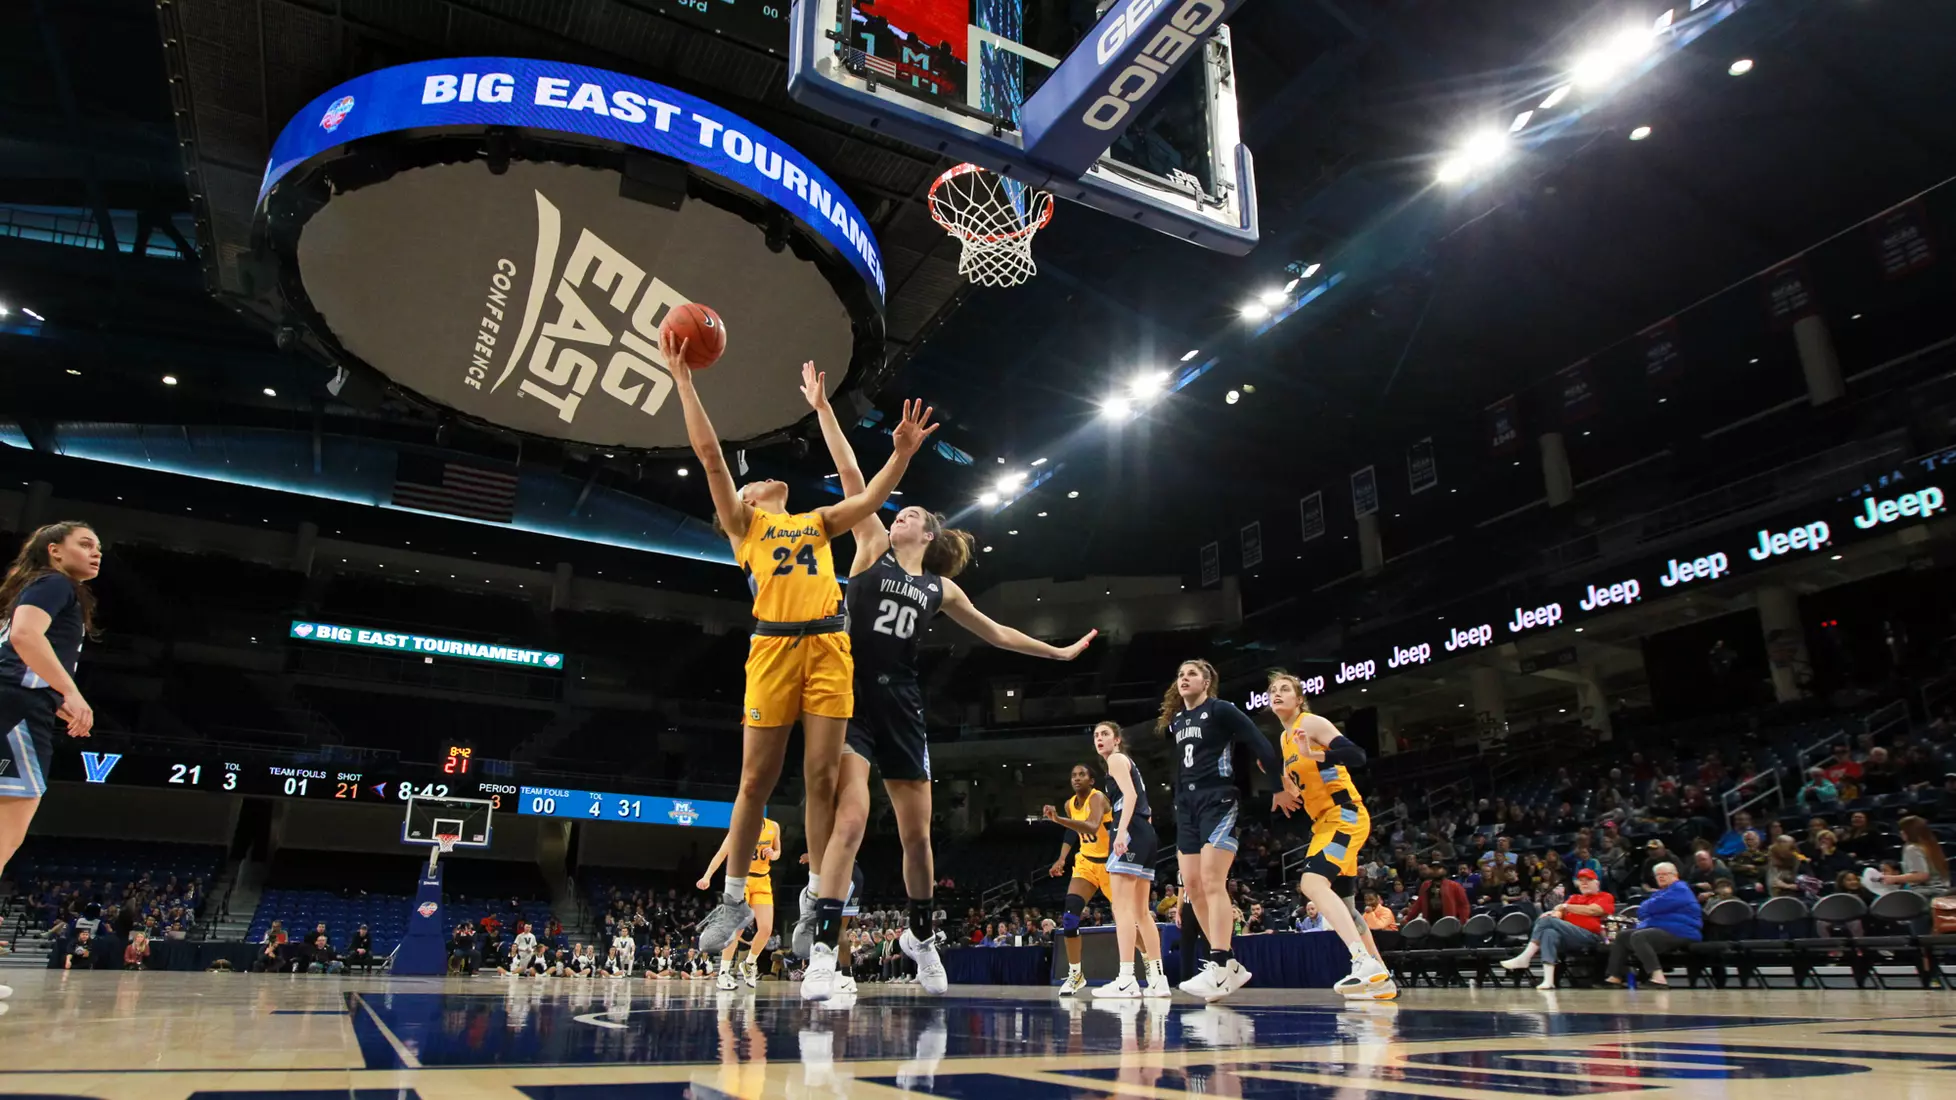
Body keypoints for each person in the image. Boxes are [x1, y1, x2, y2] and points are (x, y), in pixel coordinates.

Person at [794, 361, 1093, 1000]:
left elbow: (998, 633)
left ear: (928, 534)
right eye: (897, 513)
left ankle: (922, 938)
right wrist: (822, 409)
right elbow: (852, 472)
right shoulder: (869, 545)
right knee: (851, 822)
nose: (897, 516)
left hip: (903, 706)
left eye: (909, 515)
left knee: (917, 838)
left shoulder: (941, 588)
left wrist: (1058, 653)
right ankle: (822, 952)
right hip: (852, 700)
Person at [670, 328, 937, 964]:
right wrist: (684, 382)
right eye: (755, 480)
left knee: (821, 780)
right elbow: (711, 458)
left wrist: (901, 455)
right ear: (745, 500)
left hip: (829, 649)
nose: (766, 477)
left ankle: (817, 901)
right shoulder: (743, 524)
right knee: (755, 782)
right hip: (772, 650)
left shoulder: (814, 523)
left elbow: (869, 497)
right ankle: (733, 899)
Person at [0, 522, 103, 1001]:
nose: (96, 552)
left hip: (20, 705)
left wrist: (55, 696)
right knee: (5, 837)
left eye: (98, 547)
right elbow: (24, 636)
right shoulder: (54, 583)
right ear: (54, 551)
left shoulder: (41, 587)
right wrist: (71, 691)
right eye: (85, 543)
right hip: (15, 713)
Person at [1158, 658, 1281, 1000]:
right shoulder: (1177, 721)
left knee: (1213, 881)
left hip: (1218, 799)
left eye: (1191, 674)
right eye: (1180, 674)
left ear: (1207, 682)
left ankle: (1220, 961)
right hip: (1186, 807)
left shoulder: (1221, 709)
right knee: (1192, 887)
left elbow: (1258, 740)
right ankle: (1228, 966)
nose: (1184, 678)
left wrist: (1276, 784)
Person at [1268, 670, 1393, 999]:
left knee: (1311, 884)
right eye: (1272, 690)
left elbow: (1357, 756)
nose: (1276, 693)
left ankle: (1361, 960)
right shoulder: (1284, 740)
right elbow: (1302, 782)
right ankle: (1382, 978)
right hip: (1324, 822)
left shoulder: (1310, 723)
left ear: (1299, 699)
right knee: (1347, 908)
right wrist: (1283, 789)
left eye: (1284, 689)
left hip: (1344, 815)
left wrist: (1315, 754)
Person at [1087, 721, 1170, 998]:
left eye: (1105, 734)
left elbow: (1131, 796)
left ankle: (1126, 979)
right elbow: (1144, 803)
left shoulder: (1116, 759)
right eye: (1096, 735)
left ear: (1117, 740)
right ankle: (1158, 980)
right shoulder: (1127, 762)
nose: (1100, 739)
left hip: (1130, 829)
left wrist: (1122, 831)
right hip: (1145, 832)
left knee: (1121, 908)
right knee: (1141, 912)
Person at [1043, 762, 1114, 995]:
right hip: (1085, 863)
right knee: (1070, 916)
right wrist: (1062, 858)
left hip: (1110, 864)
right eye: (1073, 774)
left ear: (1091, 781)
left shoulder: (1098, 798)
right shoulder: (1069, 804)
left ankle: (1150, 967)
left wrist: (1057, 819)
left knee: (1126, 919)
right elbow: (1072, 831)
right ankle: (1076, 974)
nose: (1076, 778)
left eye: (1082, 774)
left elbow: (1092, 827)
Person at [699, 814, 780, 990]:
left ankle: (749, 963)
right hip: (741, 880)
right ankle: (723, 972)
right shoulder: (739, 828)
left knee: (766, 929)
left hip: (763, 880)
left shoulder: (773, 826)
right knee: (737, 927)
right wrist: (707, 876)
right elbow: (722, 854)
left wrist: (773, 854)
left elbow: (777, 852)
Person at [1501, 868, 1615, 990]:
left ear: (1597, 883)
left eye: (1588, 880)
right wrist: (1553, 913)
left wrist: (1565, 907)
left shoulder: (1604, 896)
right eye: (1581, 881)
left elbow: (1593, 910)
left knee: (1548, 921)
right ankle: (1548, 980)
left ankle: (1525, 957)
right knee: (1549, 932)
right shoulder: (1574, 898)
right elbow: (1559, 912)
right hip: (1568, 938)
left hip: (1591, 936)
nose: (1584, 883)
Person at [1604, 862, 1701, 986]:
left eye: (1665, 874)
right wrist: (1650, 908)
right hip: (1660, 929)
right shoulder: (1661, 893)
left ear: (1675, 875)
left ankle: (1658, 978)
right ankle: (1615, 977)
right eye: (1658, 875)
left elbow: (1652, 907)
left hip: (1682, 932)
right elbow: (1642, 910)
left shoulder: (1680, 890)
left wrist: (1650, 908)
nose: (1661, 877)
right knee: (1622, 936)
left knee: (1640, 936)